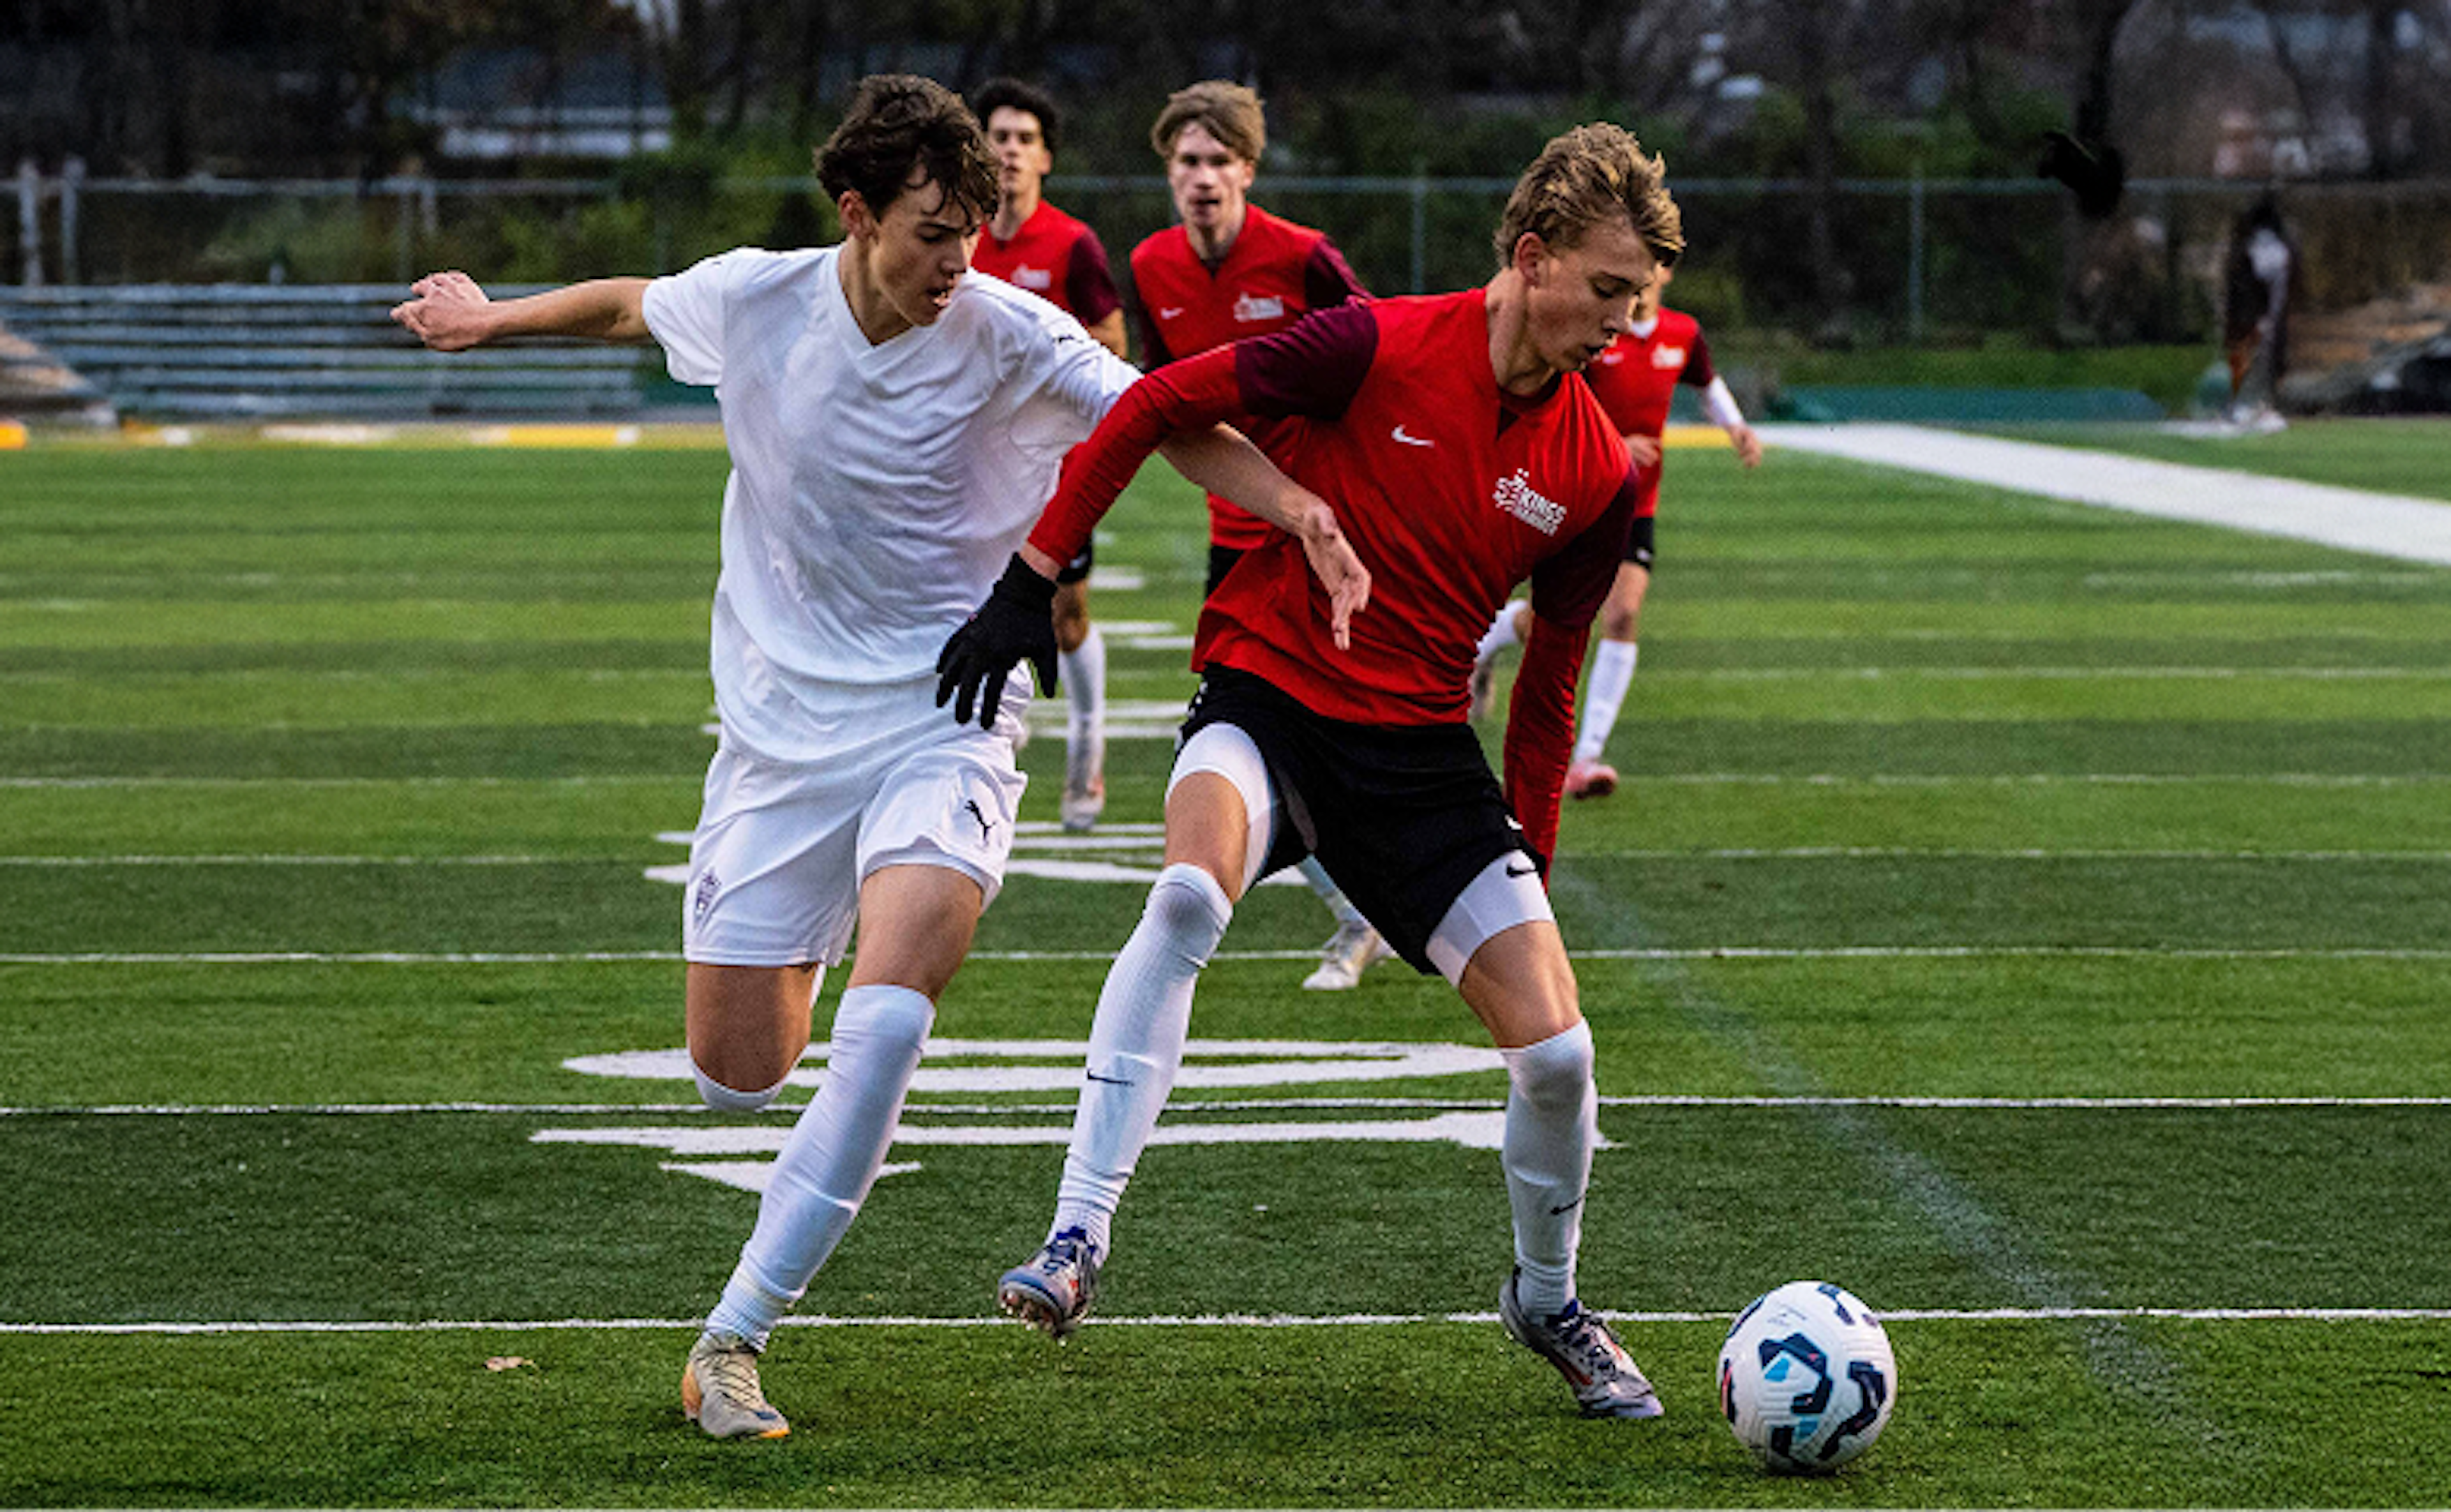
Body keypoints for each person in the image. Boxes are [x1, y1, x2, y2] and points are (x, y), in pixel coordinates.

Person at [392, 73, 1298, 1442]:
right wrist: (488, 317)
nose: (960, 261)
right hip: (776, 736)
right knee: (735, 1071)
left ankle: (734, 1336)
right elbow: (635, 300)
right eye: (933, 231)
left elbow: (1161, 417)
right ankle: (809, 936)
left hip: (949, 711)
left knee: (890, 1019)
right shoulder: (760, 296)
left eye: (975, 231)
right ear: (857, 213)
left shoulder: (1012, 334)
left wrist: (1308, 509)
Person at [938, 121, 1687, 1420]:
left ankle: (1548, 1295)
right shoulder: (1378, 342)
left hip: (1416, 761)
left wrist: (1535, 867)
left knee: (1561, 1055)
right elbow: (1157, 401)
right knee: (1184, 897)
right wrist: (1035, 571)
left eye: (1640, 299)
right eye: (1611, 290)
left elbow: (1553, 684)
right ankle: (1076, 1234)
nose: (1624, 323)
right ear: (1534, 256)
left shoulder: (1591, 468)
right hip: (1270, 700)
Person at [1132, 79, 1389, 991]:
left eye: (1217, 162)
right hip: (1233, 537)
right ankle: (1367, 904)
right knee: (1255, 745)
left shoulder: (1306, 258)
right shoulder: (1152, 266)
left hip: (1320, 535)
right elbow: (1166, 408)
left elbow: (1377, 361)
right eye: (1185, 162)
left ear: (1247, 170)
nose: (1200, 178)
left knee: (1255, 742)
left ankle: (1380, 901)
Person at [1467, 261, 1762, 798]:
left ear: (1668, 273)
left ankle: (1588, 758)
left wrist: (1736, 427)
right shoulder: (1601, 332)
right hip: (1579, 493)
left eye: (1654, 264)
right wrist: (1612, 445)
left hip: (1636, 506)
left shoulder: (1684, 333)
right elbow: (1556, 399)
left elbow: (1706, 382)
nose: (1645, 275)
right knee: (1546, 624)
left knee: (1624, 614)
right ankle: (1485, 647)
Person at [969, 77, 1130, 832]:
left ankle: (1087, 748)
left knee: (1067, 616)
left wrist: (1033, 361)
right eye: (997, 135)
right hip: (969, 464)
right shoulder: (956, 235)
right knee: (973, 596)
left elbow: (1114, 347)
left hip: (1053, 463)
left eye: (1023, 139)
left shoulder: (1073, 244)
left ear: (1046, 159)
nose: (1008, 150)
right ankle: (990, 744)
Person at [2222, 194, 2297, 431]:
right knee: (2253, 360)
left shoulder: (2259, 248)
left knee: (2252, 360)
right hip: (2259, 315)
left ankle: (2252, 406)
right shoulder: (2270, 249)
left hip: (2257, 315)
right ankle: (2248, 406)